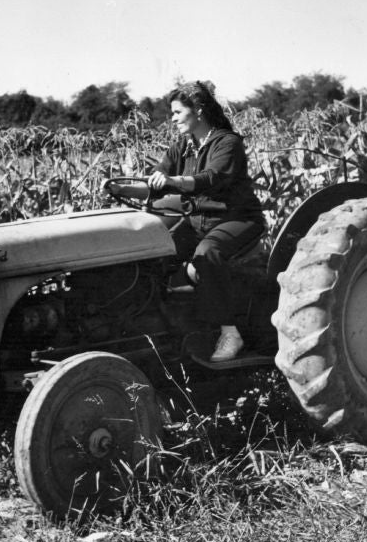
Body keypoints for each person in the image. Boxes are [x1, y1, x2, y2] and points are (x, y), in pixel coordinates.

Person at [112, 81, 266, 362]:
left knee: (207, 255)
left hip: (234, 217)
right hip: (196, 219)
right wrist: (122, 189)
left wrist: (174, 181)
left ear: (198, 110)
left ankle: (230, 333)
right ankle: (168, 324)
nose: (172, 118)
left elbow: (211, 179)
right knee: (152, 250)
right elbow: (156, 183)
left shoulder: (227, 143)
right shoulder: (182, 146)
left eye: (177, 112)